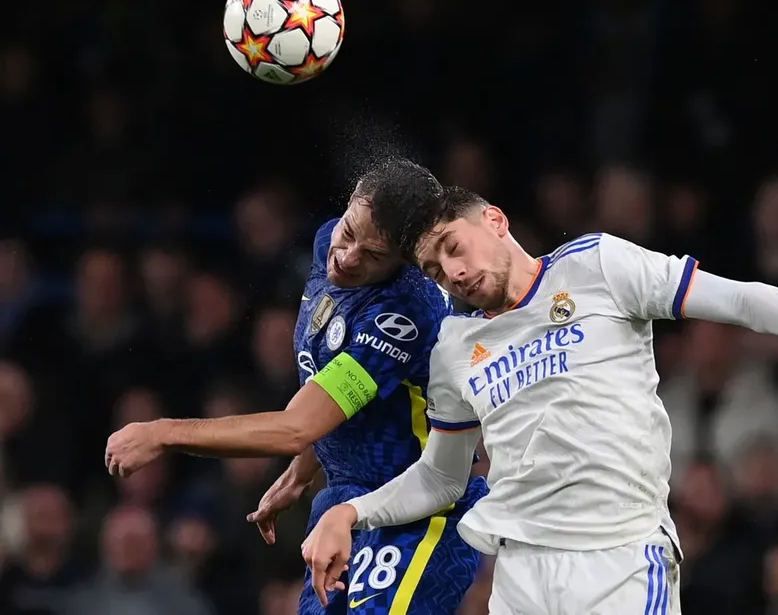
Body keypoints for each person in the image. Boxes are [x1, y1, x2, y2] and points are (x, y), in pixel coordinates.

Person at [299, 185, 778, 615]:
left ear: (494, 220)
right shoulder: (454, 345)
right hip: (521, 575)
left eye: (453, 247)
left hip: (619, 561)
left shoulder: (597, 266)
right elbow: (441, 477)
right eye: (437, 271)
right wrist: (350, 512)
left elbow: (740, 299)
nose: (455, 272)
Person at [104, 162, 490, 615]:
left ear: (405, 262)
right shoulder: (327, 241)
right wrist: (303, 469)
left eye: (373, 255)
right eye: (350, 233)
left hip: (417, 511)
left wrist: (163, 432)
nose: (346, 257)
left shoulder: (404, 312)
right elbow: (334, 390)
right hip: (342, 503)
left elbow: (296, 426)